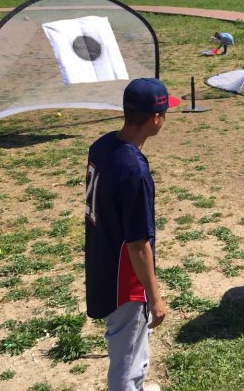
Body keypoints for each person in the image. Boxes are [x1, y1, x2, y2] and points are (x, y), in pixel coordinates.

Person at [85, 78, 179, 391]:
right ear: (155, 119)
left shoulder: (102, 145)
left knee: (133, 342)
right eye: (165, 113)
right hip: (125, 276)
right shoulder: (135, 171)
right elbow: (139, 245)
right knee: (126, 356)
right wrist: (155, 298)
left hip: (102, 256)